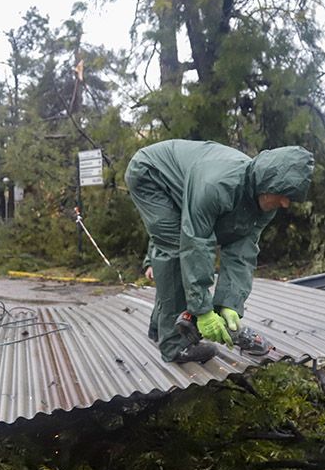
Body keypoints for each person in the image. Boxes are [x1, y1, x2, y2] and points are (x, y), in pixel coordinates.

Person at [125, 140, 314, 364]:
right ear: (267, 182)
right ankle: (174, 347)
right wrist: (203, 311)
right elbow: (196, 242)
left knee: (181, 250)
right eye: (283, 194)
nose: (285, 204)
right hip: (151, 174)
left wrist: (229, 303)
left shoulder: (264, 205)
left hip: (186, 181)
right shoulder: (217, 185)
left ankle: (160, 327)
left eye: (290, 198)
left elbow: (242, 252)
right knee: (175, 249)